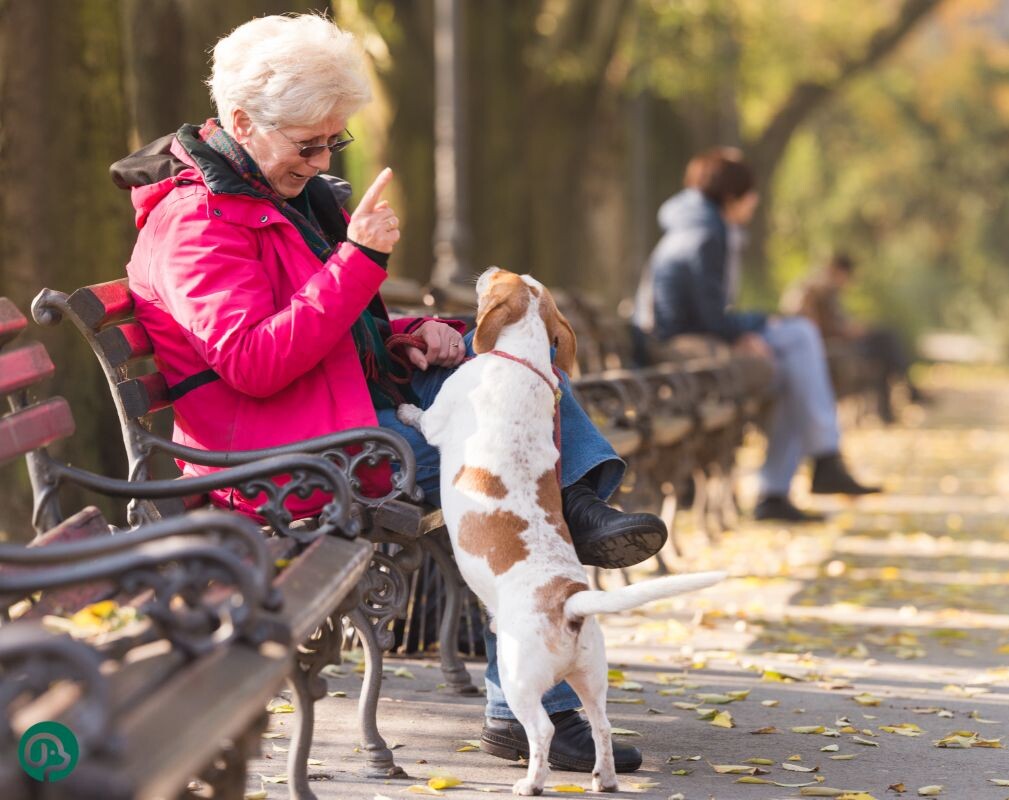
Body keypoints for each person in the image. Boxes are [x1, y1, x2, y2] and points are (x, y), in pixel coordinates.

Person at [113, 13, 663, 774]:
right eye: (308, 142)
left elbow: (324, 324)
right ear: (240, 121)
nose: (320, 158)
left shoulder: (283, 194)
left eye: (331, 141)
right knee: (510, 464)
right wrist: (359, 260)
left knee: (511, 373)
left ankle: (581, 508)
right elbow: (252, 360)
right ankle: (550, 638)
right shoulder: (198, 223)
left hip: (333, 414)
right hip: (282, 455)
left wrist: (408, 335)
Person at [634, 147, 880, 524]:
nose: (755, 203)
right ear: (731, 197)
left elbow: (705, 311)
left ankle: (780, 492)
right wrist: (756, 327)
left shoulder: (695, 222)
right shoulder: (707, 231)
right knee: (799, 336)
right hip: (680, 349)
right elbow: (708, 317)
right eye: (751, 195)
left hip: (679, 340)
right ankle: (821, 460)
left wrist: (749, 329)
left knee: (794, 372)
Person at [781, 253, 927, 424]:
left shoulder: (822, 289)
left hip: (838, 341)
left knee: (885, 344)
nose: (847, 282)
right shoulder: (818, 289)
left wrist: (854, 328)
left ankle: (895, 404)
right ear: (838, 271)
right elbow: (822, 326)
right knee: (886, 341)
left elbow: (834, 321)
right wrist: (849, 331)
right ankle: (908, 389)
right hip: (834, 345)